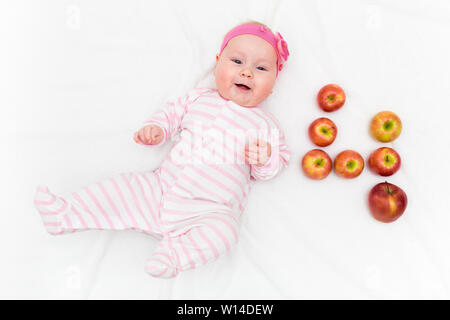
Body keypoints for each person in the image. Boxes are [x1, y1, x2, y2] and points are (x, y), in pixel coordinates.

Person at [34, 21, 291, 278]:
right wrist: (157, 128)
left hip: (209, 211)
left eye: (261, 68)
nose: (247, 72)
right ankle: (65, 214)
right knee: (123, 188)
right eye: (236, 61)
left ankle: (174, 255)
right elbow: (171, 114)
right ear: (217, 64)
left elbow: (274, 167)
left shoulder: (265, 125)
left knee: (225, 233)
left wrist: (265, 158)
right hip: (161, 189)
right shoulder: (198, 98)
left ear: (273, 83)